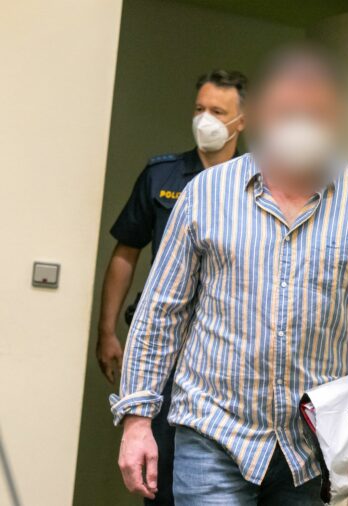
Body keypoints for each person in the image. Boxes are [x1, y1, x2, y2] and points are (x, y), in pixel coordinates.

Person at [109, 47, 348, 505]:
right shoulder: (206, 194)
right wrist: (137, 420)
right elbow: (160, 314)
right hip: (212, 432)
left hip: (313, 449)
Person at [97, 69, 248, 505]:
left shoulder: (258, 182)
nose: (206, 119)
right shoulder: (163, 175)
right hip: (166, 348)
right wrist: (107, 331)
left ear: (242, 121)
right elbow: (125, 253)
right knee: (158, 473)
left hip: (224, 350)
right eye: (200, 109)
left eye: (218, 111)